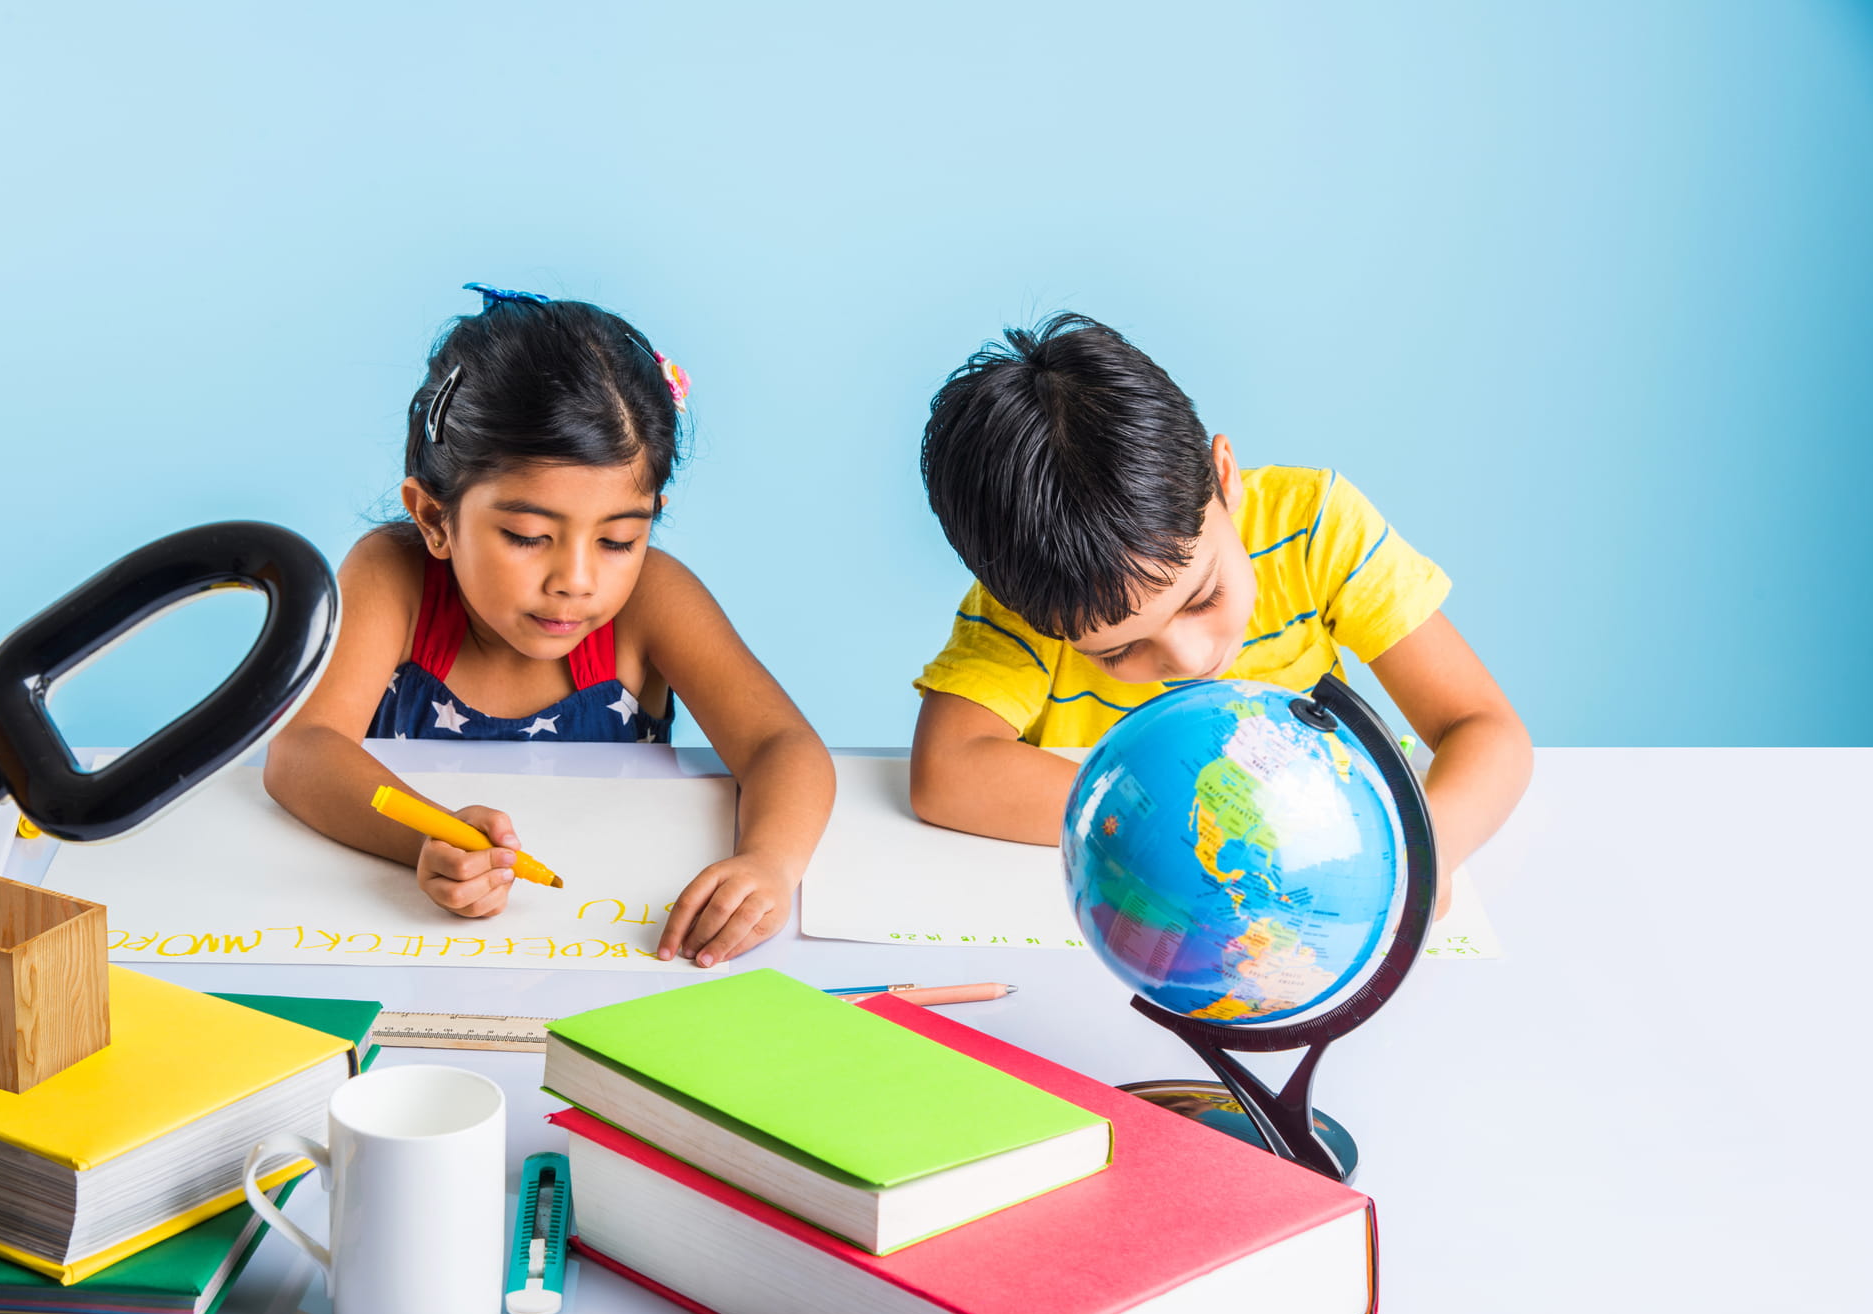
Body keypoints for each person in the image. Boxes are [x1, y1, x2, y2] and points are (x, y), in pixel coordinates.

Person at [267, 284, 833, 967]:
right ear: (435, 518)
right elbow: (301, 752)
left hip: (607, 948)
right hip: (409, 953)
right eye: (530, 535)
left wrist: (769, 862)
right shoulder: (395, 576)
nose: (577, 578)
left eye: (619, 540)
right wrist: (428, 839)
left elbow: (783, 744)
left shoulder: (652, 599)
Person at [910, 313, 1531, 917]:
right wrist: (1181, 825)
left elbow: (1482, 726)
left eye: (1203, 597)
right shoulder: (1041, 603)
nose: (1190, 659)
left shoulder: (1315, 528)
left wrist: (1430, 851)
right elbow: (946, 771)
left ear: (1224, 478)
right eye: (1117, 651)